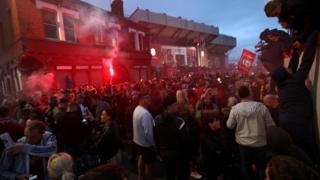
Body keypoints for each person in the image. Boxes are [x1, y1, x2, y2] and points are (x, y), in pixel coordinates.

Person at [271, 31, 318, 159]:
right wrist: (312, 37)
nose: (288, 68)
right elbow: (307, 61)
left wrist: (296, 51)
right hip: (298, 122)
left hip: (287, 122)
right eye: (285, 69)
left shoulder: (283, 84)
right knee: (308, 150)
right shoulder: (294, 81)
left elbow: (292, 67)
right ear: (285, 74)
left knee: (298, 151)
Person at [227, 86, 275, 180]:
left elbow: (229, 125)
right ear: (250, 94)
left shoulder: (235, 109)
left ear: (239, 96)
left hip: (243, 143)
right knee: (261, 167)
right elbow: (271, 125)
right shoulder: (261, 107)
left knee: (246, 166)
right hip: (260, 143)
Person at [154, 96, 192, 180]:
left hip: (165, 155)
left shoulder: (157, 119)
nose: (177, 106)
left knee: (169, 176)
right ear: (168, 107)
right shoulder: (179, 122)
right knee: (182, 176)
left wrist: (159, 151)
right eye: (175, 105)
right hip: (179, 156)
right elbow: (186, 142)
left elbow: (156, 137)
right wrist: (189, 158)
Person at [132, 92, 155, 180]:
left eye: (149, 97)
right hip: (146, 144)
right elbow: (149, 133)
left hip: (138, 141)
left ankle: (140, 176)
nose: (150, 100)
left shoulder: (137, 109)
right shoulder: (145, 114)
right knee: (149, 166)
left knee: (141, 158)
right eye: (147, 98)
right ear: (141, 99)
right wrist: (154, 145)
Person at [201, 114, 227, 180]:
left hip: (220, 165)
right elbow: (214, 151)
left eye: (218, 120)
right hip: (213, 167)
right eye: (216, 120)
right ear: (210, 124)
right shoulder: (206, 136)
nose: (218, 122)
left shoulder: (220, 132)